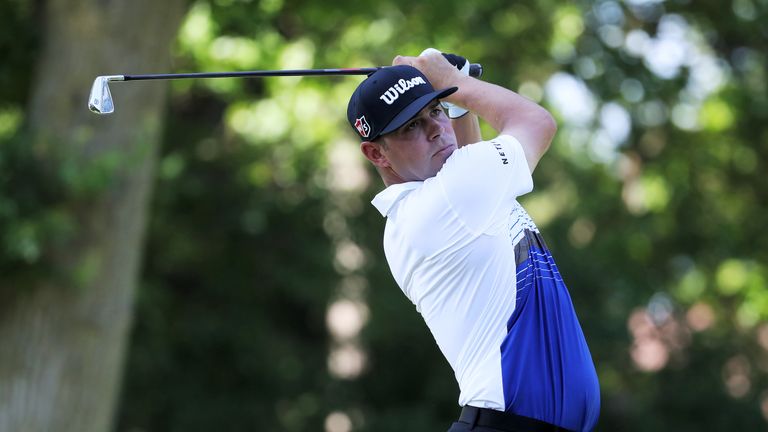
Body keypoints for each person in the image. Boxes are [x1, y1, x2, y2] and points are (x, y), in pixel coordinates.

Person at [347, 50, 600, 432]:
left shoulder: (436, 205)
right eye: (409, 127)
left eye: (436, 110)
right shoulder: (446, 200)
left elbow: (467, 165)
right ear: (375, 152)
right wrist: (458, 84)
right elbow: (537, 122)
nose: (435, 128)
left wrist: (459, 107)